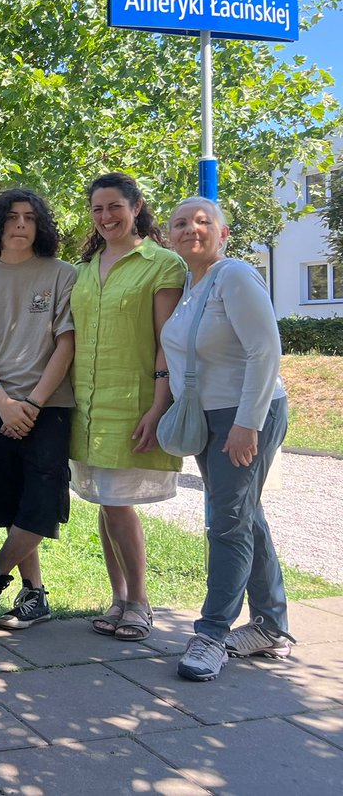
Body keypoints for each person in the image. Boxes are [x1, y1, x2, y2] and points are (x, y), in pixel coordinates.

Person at [161, 197, 292, 681]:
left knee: (227, 523)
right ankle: (270, 627)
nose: (191, 229)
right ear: (168, 236)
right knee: (244, 516)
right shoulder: (192, 287)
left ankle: (212, 633)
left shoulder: (233, 275)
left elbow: (265, 350)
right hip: (209, 418)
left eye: (203, 221)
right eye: (180, 223)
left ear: (223, 233)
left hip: (243, 415)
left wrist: (247, 422)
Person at [70, 172, 185, 642]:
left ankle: (139, 601)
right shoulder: (83, 267)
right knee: (103, 501)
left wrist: (158, 408)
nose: (105, 217)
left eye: (115, 206)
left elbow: (168, 344)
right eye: (97, 209)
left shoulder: (162, 264)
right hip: (85, 403)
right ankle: (118, 597)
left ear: (136, 207)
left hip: (132, 402)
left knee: (117, 504)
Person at [0, 189, 76, 630]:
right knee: (13, 505)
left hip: (50, 407)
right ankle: (35, 594)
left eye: (30, 217)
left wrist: (32, 403)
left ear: (41, 225)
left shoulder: (63, 275)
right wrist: (4, 401)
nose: (21, 225)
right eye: (12, 217)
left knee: (42, 505)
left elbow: (67, 342)